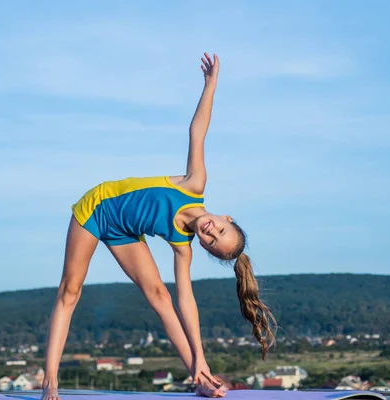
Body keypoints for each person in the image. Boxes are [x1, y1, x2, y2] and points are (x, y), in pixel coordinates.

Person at [41, 53, 276, 400]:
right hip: (96, 207)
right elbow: (198, 130)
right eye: (220, 230)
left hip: (124, 232)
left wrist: (201, 357)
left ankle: (199, 378)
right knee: (71, 290)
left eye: (211, 243)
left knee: (162, 297)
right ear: (225, 217)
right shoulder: (194, 184)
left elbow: (187, 302)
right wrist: (210, 85)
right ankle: (50, 381)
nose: (210, 234)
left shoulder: (183, 245)